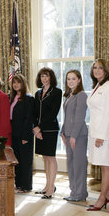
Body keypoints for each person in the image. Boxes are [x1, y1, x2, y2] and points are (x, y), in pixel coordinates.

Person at [86, 59, 109, 211]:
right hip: (94, 131)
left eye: (100, 68)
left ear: (106, 70)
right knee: (102, 162)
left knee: (106, 165)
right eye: (95, 68)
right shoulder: (98, 86)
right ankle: (108, 195)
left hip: (103, 133)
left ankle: (102, 198)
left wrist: (102, 135)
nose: (97, 70)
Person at [33, 68, 62, 199]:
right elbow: (34, 112)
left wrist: (40, 127)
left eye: (46, 76)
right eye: (42, 76)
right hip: (39, 129)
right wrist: (35, 128)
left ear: (51, 78)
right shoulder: (37, 93)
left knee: (50, 157)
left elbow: (53, 114)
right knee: (44, 157)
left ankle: (51, 187)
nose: (44, 79)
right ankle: (47, 185)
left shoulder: (57, 92)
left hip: (50, 129)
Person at [60, 70, 88, 202]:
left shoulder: (81, 95)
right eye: (68, 79)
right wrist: (63, 132)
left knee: (79, 165)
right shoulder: (69, 95)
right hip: (68, 134)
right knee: (71, 164)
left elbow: (79, 118)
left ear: (79, 80)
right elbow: (66, 117)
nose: (70, 81)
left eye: (73, 79)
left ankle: (80, 193)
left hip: (78, 136)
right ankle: (74, 191)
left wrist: (74, 136)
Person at [10, 74, 35, 193]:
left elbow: (29, 119)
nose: (16, 85)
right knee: (18, 161)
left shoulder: (29, 98)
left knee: (25, 161)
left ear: (23, 84)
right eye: (14, 82)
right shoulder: (13, 98)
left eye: (18, 82)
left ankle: (26, 186)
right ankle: (19, 184)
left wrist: (26, 136)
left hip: (24, 135)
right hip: (14, 134)